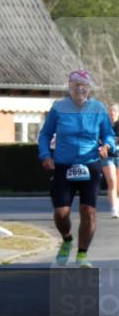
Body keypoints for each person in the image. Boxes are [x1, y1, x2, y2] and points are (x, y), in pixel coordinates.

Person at [37, 70, 115, 268]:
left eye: (84, 85)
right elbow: (45, 134)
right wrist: (45, 155)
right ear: (70, 88)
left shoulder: (98, 108)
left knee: (88, 211)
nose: (80, 89)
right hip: (64, 165)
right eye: (76, 85)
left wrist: (107, 146)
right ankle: (67, 238)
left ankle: (82, 254)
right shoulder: (59, 108)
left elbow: (108, 134)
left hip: (90, 164)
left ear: (89, 88)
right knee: (61, 213)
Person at [107, 103, 119, 219]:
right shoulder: (104, 125)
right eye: (110, 111)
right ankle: (114, 208)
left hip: (118, 155)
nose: (112, 113)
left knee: (118, 184)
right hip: (107, 157)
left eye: (114, 111)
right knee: (112, 181)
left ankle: (116, 201)